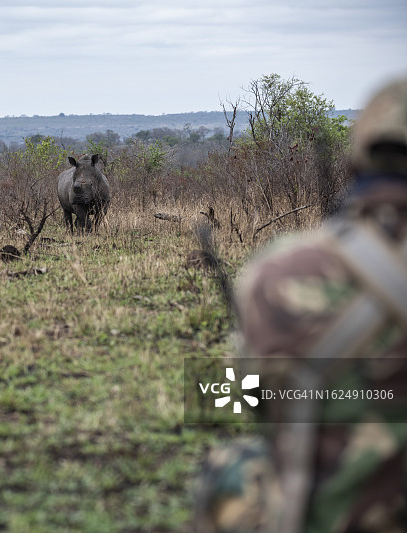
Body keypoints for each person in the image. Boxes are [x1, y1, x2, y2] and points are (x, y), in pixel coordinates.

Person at [196, 77, 407, 533]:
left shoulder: (280, 270)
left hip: (330, 513)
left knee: (230, 464)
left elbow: (248, 397)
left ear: (354, 164)